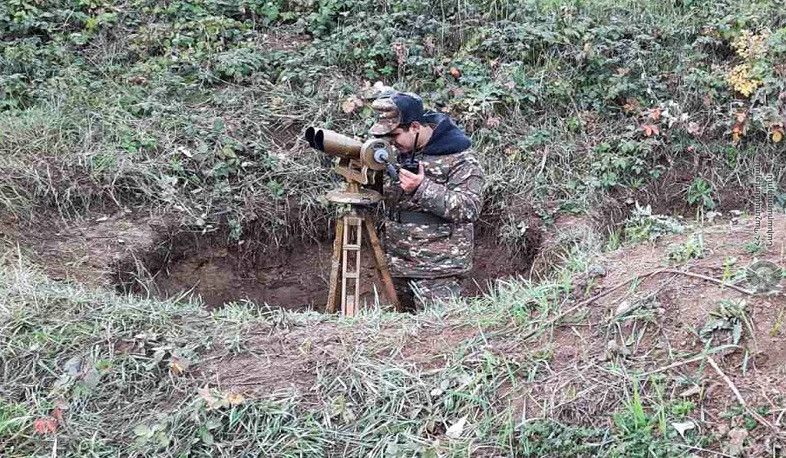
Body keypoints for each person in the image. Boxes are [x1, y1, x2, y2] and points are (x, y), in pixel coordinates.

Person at [368, 91, 485, 311]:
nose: (391, 143)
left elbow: (469, 207)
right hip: (396, 264)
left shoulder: (460, 159)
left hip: (438, 270)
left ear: (414, 127)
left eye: (395, 135)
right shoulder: (397, 153)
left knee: (437, 334)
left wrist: (421, 188)